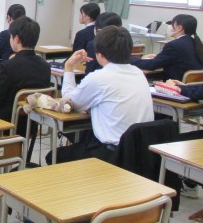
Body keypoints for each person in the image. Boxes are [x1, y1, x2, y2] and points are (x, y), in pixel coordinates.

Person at [49, 26, 154, 165]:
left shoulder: (99, 78)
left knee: (53, 156)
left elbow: (69, 102)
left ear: (100, 54)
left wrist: (69, 67)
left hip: (111, 156)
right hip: (139, 156)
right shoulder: (138, 73)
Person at [0, 16, 51, 139]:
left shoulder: (8, 66)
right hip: (31, 122)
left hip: (6, 123)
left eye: (11, 37)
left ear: (16, 39)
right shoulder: (45, 66)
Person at [131, 14, 203, 81]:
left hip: (174, 84)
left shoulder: (174, 45)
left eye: (172, 25)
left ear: (179, 28)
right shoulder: (196, 43)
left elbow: (151, 65)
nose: (170, 27)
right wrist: (159, 57)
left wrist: (130, 59)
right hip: (191, 84)